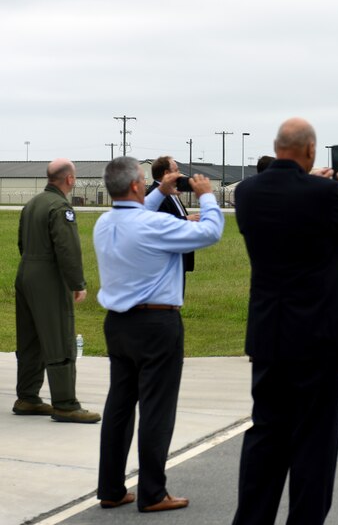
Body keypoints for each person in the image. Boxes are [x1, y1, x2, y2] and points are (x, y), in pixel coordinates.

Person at [232, 117, 338, 524]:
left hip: (269, 330)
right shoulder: (326, 193)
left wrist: (312, 183)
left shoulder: (248, 192)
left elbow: (286, 201)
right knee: (315, 440)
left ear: (277, 148)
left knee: (266, 433)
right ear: (311, 151)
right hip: (318, 333)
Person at [93, 157, 224, 512]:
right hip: (157, 324)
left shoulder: (103, 224)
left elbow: (132, 213)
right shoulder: (155, 225)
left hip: (118, 324)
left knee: (119, 405)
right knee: (156, 409)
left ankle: (110, 487)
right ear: (137, 186)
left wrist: (160, 192)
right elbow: (210, 232)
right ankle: (152, 491)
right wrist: (207, 196)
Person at [13, 158, 100, 423]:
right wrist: (77, 283)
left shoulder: (33, 204)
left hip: (25, 272)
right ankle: (65, 403)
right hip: (48, 278)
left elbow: (20, 241)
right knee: (60, 336)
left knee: (30, 340)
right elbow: (67, 249)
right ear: (69, 179)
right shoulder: (61, 207)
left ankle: (27, 397)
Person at [147, 156, 199, 290]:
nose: (180, 174)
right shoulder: (154, 194)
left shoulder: (171, 193)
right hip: (167, 258)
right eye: (176, 170)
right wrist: (187, 219)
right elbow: (158, 224)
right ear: (166, 174)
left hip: (178, 255)